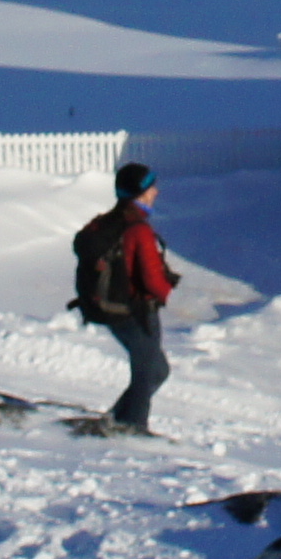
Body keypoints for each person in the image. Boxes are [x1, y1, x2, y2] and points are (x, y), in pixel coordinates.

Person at [72, 161, 176, 434]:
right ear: (139, 193)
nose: (156, 191)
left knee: (157, 370)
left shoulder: (104, 223)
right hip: (137, 311)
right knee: (146, 373)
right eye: (151, 187)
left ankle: (116, 418)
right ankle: (133, 427)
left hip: (110, 311)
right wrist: (165, 290)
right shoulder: (138, 229)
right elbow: (153, 280)